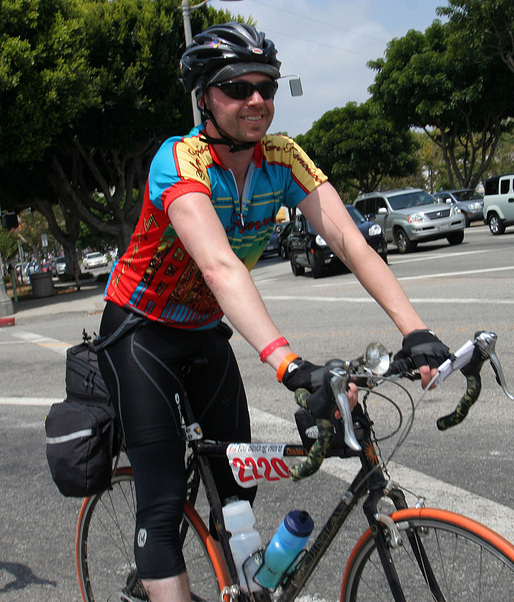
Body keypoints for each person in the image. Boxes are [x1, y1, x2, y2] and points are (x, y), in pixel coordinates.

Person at [96, 21, 450, 602]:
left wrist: (416, 330)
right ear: (206, 97)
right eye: (238, 87)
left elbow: (350, 240)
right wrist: (288, 365)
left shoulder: (283, 159)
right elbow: (220, 267)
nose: (256, 99)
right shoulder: (179, 160)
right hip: (140, 331)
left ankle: (230, 581)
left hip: (205, 330)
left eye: (267, 86)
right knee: (160, 506)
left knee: (238, 483)